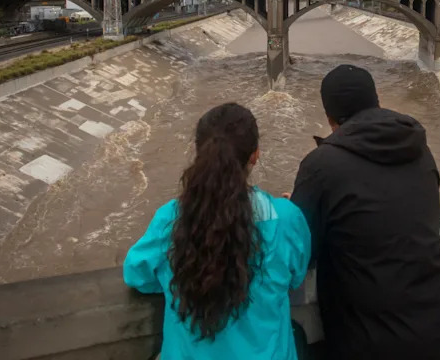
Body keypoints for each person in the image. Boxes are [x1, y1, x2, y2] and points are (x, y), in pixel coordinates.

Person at [290, 64, 440, 360]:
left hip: (369, 345)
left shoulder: (321, 165)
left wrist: (293, 209)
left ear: (330, 117)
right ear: (376, 100)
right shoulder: (419, 146)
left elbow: (301, 250)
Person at [124, 102, 311, 360]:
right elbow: (296, 275)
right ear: (255, 155)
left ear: (199, 152)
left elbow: (137, 275)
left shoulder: (172, 218)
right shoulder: (287, 218)